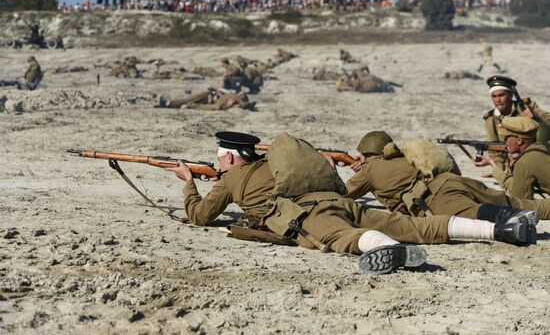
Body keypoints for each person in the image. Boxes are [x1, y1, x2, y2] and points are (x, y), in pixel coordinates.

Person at [164, 132, 537, 275]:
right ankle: (500, 229)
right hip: (340, 200)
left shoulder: (229, 177)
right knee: (415, 227)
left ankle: (388, 250)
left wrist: (188, 184)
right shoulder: (272, 166)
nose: (219, 163)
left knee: (346, 238)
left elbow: (199, 217)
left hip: (312, 212)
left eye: (221, 158)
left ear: (229, 158)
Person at [344, 130, 550, 220]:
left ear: (367, 155)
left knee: (480, 214)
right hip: (453, 180)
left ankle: (514, 223)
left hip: (438, 198)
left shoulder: (369, 170)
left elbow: (342, 195)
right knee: (511, 202)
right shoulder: (407, 156)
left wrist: (343, 164)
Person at [483, 75, 550, 170]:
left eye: (501, 95)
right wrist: (499, 172)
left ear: (510, 95)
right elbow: (495, 152)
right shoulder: (491, 119)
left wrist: (536, 116)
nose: (498, 100)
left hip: (539, 154)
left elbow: (548, 123)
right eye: (494, 96)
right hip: (515, 165)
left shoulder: (527, 106)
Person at [474, 117, 550, 199]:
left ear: (519, 140)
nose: (504, 141)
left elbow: (521, 201)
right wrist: (494, 164)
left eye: (506, 137)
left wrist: (498, 172)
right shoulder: (545, 147)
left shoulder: (524, 162)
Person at [157, 88, 255, 111]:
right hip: (212, 98)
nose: (241, 94)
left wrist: (231, 105)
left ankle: (170, 104)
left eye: (243, 95)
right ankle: (170, 103)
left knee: (190, 103)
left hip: (214, 104)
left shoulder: (236, 99)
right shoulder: (231, 94)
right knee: (190, 98)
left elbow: (243, 105)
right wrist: (217, 92)